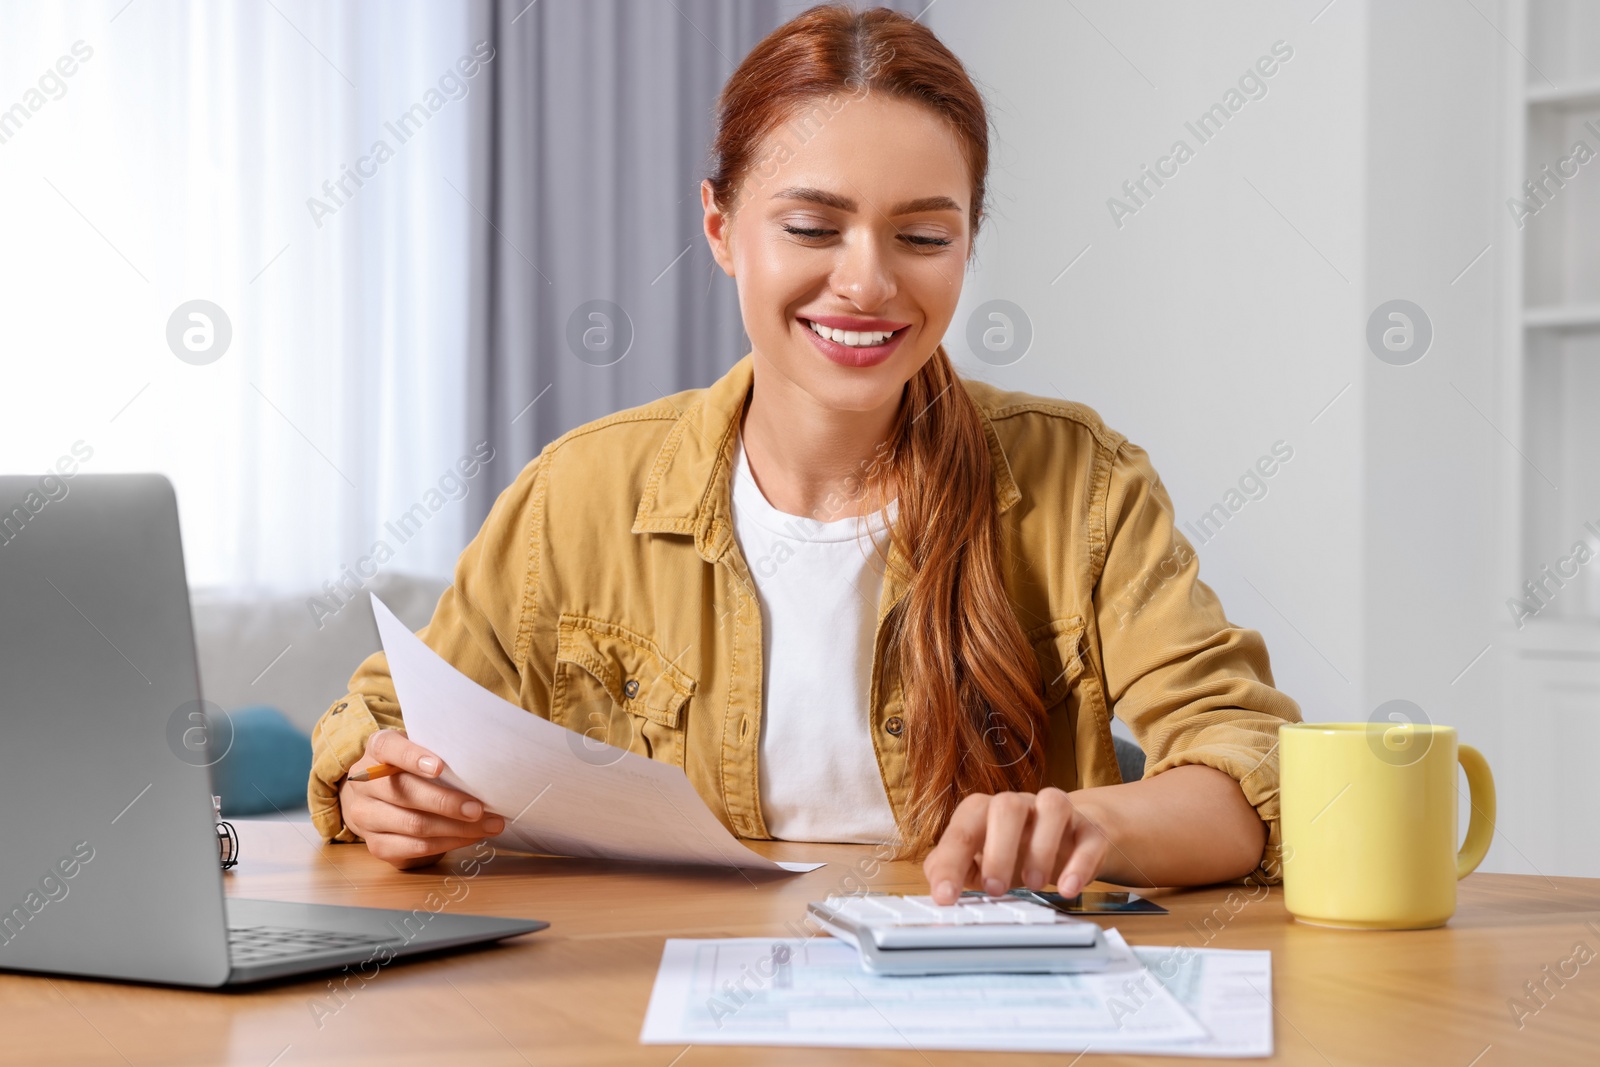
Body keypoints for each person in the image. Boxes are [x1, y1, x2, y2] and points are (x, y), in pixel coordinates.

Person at [308, 4, 1301, 904]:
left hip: (976, 1004)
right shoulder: (579, 493)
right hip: (642, 1001)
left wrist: (1092, 821)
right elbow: (381, 725)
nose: (867, 282)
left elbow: (1251, 765)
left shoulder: (1081, 482)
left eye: (921, 235)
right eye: (812, 226)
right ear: (721, 227)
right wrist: (382, 790)